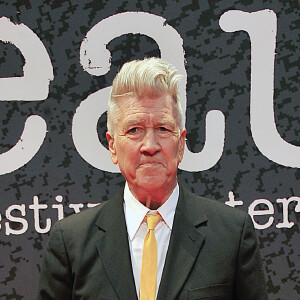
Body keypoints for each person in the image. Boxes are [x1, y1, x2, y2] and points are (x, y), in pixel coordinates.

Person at [37, 57, 268, 299]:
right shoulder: (71, 241)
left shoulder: (231, 235)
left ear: (180, 144)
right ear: (113, 146)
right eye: (134, 129)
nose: (150, 145)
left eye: (163, 129)